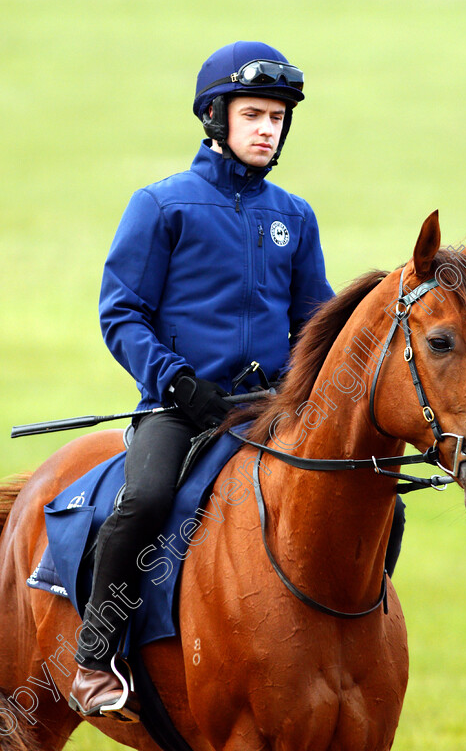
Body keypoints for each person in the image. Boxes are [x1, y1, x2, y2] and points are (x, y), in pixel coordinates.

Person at [68, 41, 335, 719]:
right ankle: (95, 658)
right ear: (215, 117)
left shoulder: (294, 217)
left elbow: (314, 322)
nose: (266, 129)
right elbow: (121, 312)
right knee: (147, 499)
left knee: (367, 500)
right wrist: (178, 383)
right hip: (180, 408)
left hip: (268, 412)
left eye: (276, 118)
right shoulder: (161, 205)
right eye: (253, 115)